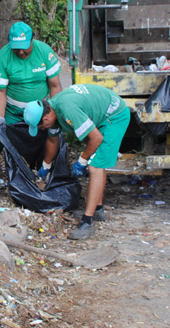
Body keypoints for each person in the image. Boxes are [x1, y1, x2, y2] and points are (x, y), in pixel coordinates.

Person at [0, 22, 62, 193]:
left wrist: (55, 113)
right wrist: (0, 117)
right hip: (10, 109)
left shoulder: (45, 53)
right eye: (16, 48)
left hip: (39, 110)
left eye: (24, 48)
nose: (21, 52)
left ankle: (45, 175)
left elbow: (55, 86)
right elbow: (0, 91)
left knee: (49, 137)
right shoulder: (3, 57)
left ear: (32, 40)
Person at [23, 84, 131, 240]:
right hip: (101, 115)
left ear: (45, 118)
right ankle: (97, 209)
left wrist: (82, 161)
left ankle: (87, 222)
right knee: (96, 164)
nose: (41, 129)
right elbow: (53, 142)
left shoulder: (68, 110)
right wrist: (45, 166)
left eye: (40, 126)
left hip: (114, 116)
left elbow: (96, 138)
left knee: (95, 166)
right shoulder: (53, 111)